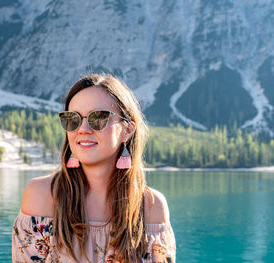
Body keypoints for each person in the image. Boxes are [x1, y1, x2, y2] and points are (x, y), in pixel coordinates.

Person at [12, 74, 176, 262]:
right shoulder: (42, 194)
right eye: (72, 119)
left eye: (98, 118)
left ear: (127, 130)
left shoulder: (152, 206)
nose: (82, 129)